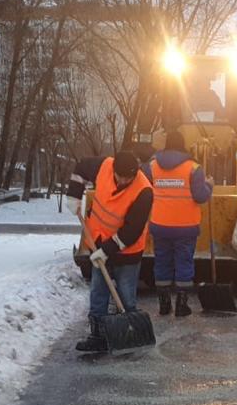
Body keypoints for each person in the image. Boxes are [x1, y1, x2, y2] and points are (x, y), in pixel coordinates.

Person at [66, 150, 154, 352]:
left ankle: (130, 334)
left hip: (127, 251)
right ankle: (98, 335)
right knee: (98, 291)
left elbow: (132, 231)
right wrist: (74, 195)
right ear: (114, 169)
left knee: (126, 294)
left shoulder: (144, 191)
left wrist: (107, 250)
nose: (123, 181)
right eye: (120, 176)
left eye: (128, 178)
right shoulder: (104, 166)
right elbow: (80, 168)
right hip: (98, 242)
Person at [143, 131, 212, 316]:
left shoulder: (152, 166)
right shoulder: (194, 168)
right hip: (185, 227)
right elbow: (200, 196)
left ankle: (164, 304)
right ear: (183, 145)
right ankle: (182, 306)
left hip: (160, 225)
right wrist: (209, 186)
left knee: (162, 262)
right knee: (184, 263)